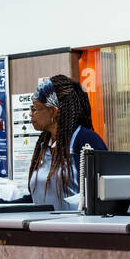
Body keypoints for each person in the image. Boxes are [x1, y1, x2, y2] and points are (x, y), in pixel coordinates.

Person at [27, 74, 107, 210]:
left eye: (35, 108)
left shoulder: (86, 141)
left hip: (75, 228)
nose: (31, 113)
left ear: (53, 111)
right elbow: (40, 196)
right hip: (40, 228)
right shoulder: (44, 144)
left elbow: (103, 195)